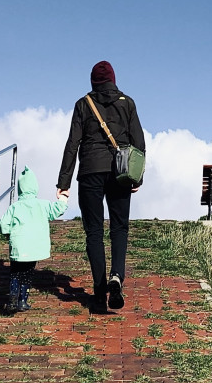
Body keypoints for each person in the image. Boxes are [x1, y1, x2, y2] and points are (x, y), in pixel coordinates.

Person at [56, 60, 145, 314]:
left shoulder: (83, 104)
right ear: (114, 80)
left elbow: (72, 144)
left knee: (94, 232)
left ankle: (99, 289)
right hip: (120, 173)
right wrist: (137, 178)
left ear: (93, 81)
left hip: (90, 172)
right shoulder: (127, 103)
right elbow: (139, 141)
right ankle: (117, 276)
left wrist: (63, 183)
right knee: (119, 227)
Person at [0, 166, 69, 316]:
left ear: (20, 189)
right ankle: (22, 301)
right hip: (34, 247)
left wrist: (7, 234)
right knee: (28, 273)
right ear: (35, 187)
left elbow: (3, 225)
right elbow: (57, 210)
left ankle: (12, 296)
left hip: (18, 246)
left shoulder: (15, 207)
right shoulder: (42, 205)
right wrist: (63, 197)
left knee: (15, 272)